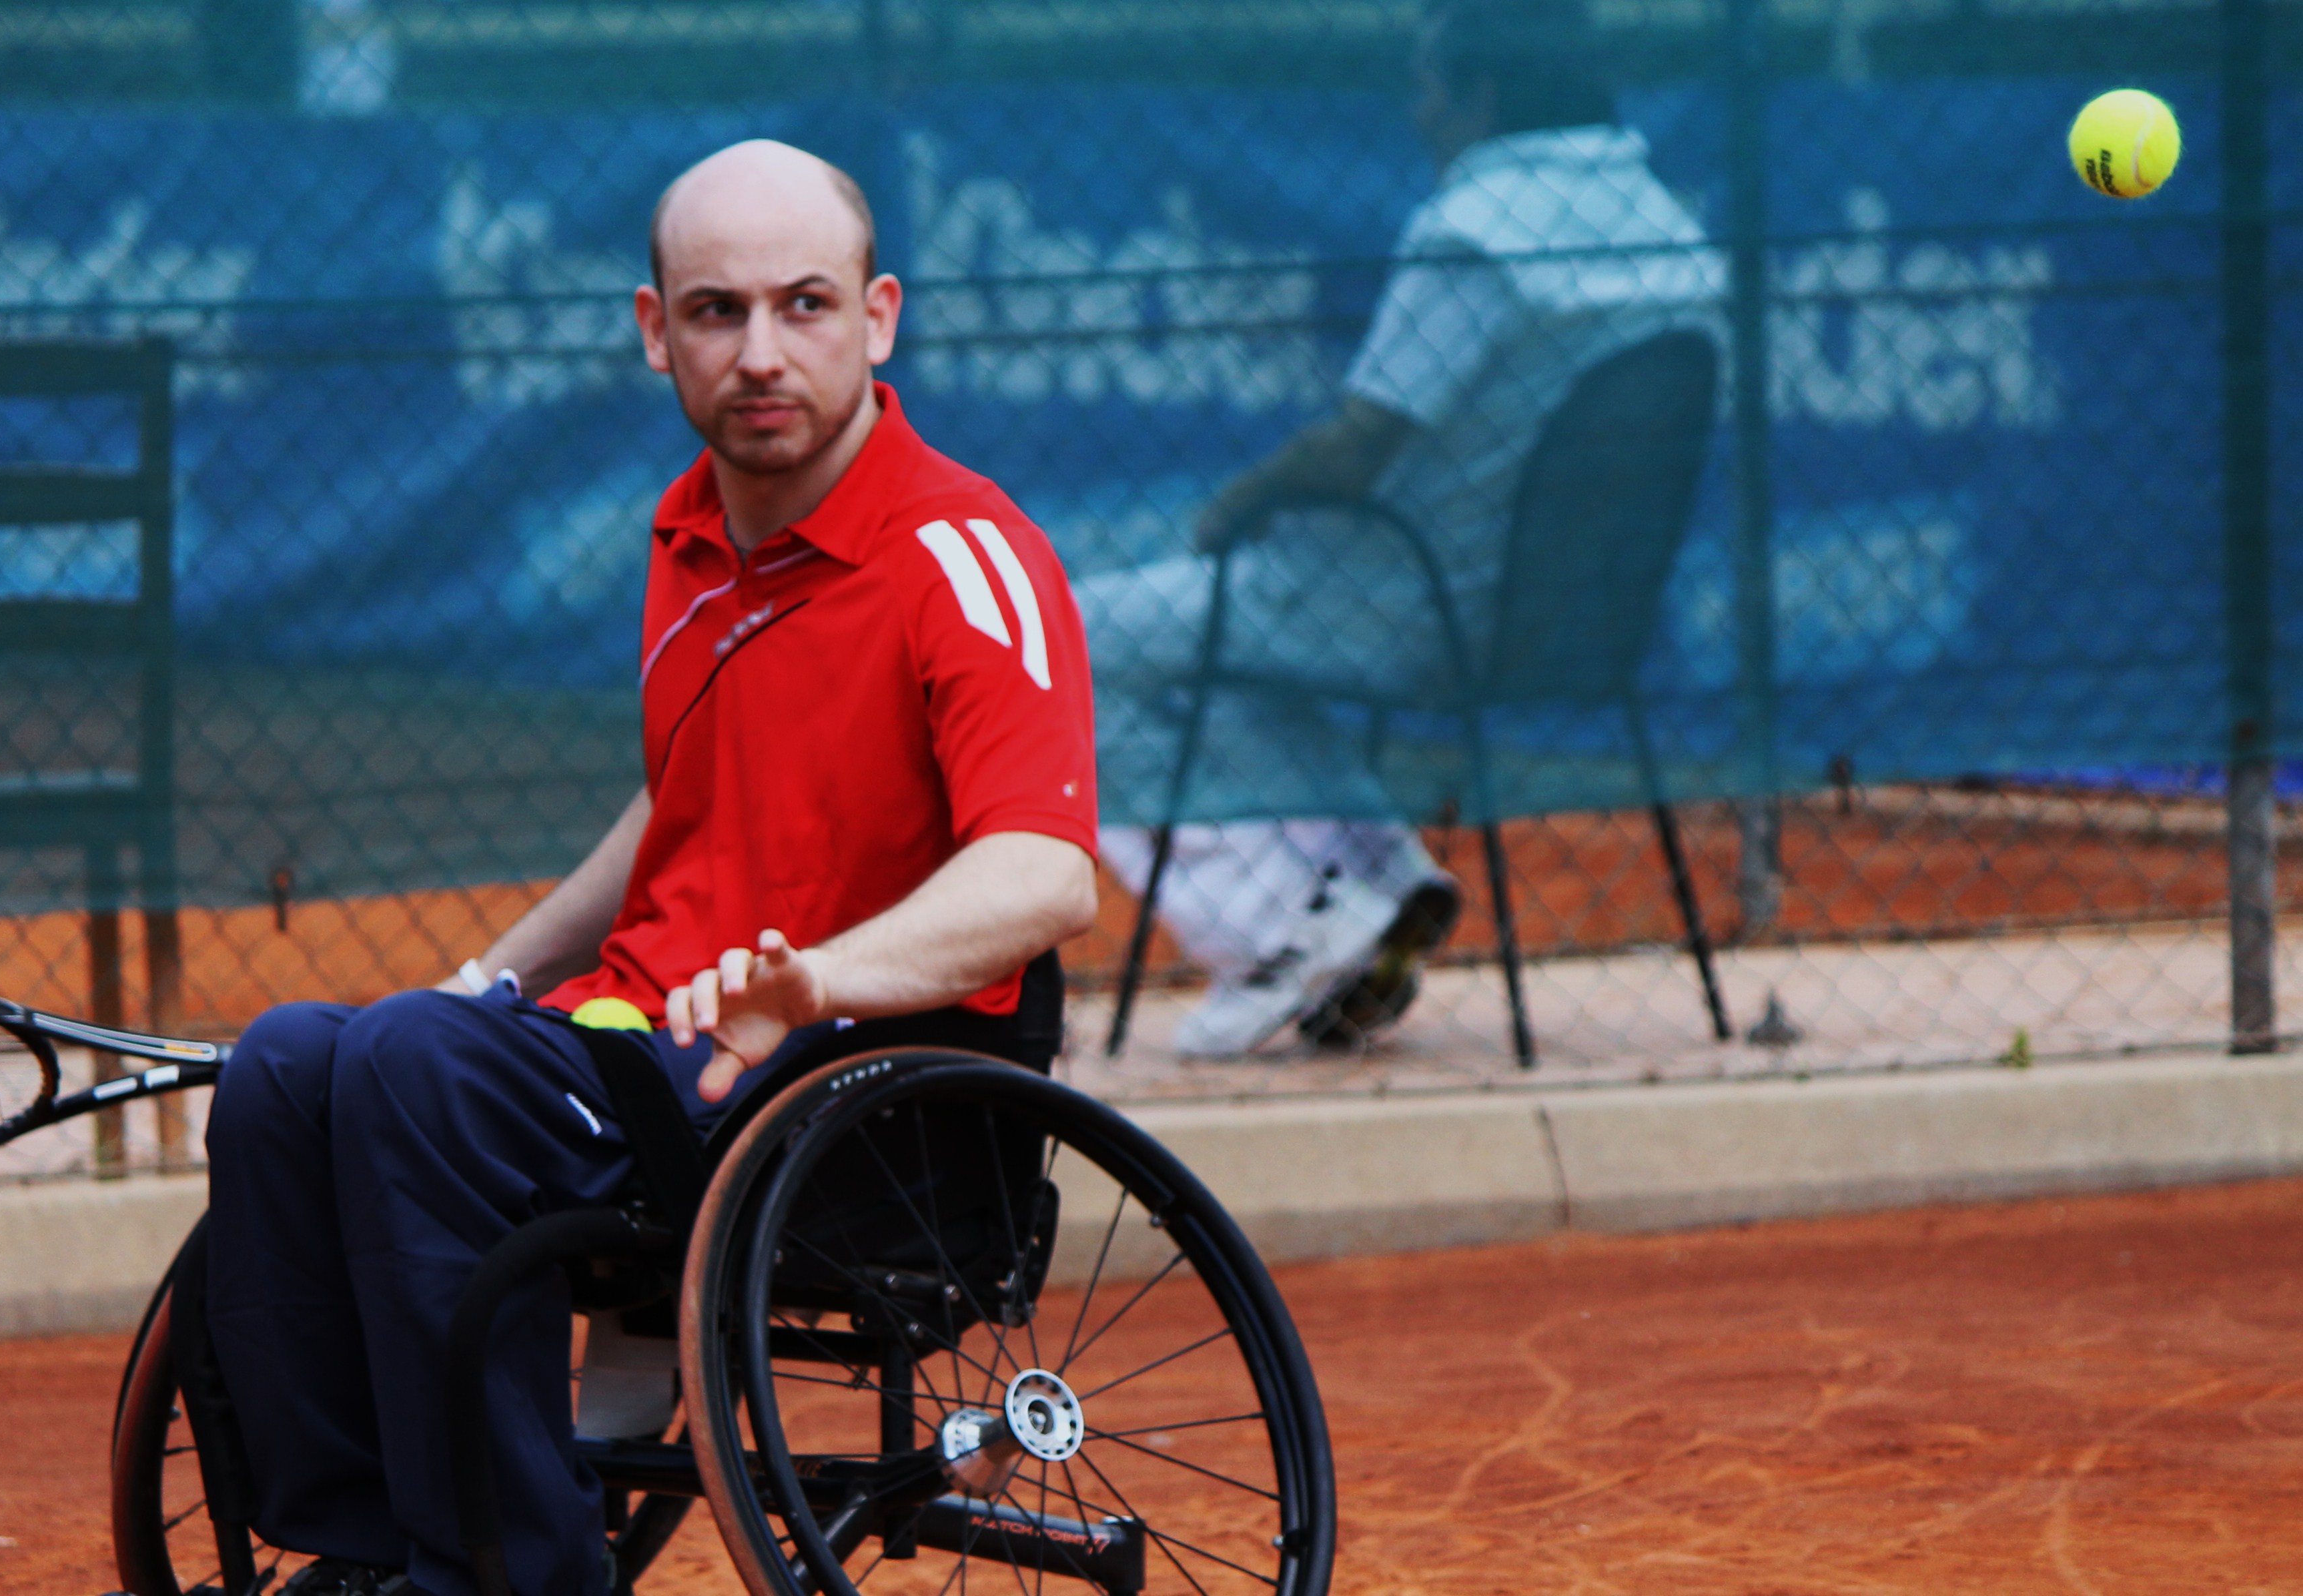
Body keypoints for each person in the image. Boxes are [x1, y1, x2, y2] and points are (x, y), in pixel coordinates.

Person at [202, 139, 1100, 1596]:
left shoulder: (966, 555)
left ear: (878, 318)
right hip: (642, 1055)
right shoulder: (692, 536)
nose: (761, 353)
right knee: (290, 1067)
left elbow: (1045, 871)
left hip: (831, 1096)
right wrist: (492, 977)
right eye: (716, 311)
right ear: (653, 330)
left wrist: (820, 980)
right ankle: (367, 1544)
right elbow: (678, 808)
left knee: (417, 1064)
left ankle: (512, 1575)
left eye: (804, 305)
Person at [1080, 0, 1721, 1058]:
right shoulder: (1665, 226)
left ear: (1484, 93)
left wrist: (1236, 506)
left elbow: (1357, 444)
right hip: (1572, 623)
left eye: (1429, 87)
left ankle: (1279, 933)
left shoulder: (1472, 235)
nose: (1418, 113)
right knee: (1220, 664)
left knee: (1061, 648)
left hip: (1397, 607)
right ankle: (1380, 885)